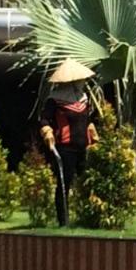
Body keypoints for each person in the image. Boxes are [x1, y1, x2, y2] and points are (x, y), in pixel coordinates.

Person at [38, 60, 99, 227]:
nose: (83, 83)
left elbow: (88, 120)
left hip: (83, 147)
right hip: (65, 149)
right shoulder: (54, 99)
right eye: (80, 80)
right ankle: (63, 221)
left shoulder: (84, 98)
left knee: (87, 182)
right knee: (64, 184)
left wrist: (93, 133)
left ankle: (88, 218)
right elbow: (44, 119)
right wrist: (48, 132)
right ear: (72, 81)